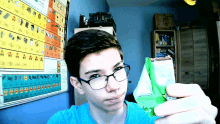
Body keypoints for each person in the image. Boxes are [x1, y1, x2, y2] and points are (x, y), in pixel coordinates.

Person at [47, 29, 218, 124]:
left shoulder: (156, 118)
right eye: (96, 76)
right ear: (77, 84)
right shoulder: (61, 122)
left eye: (118, 69)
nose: (114, 86)